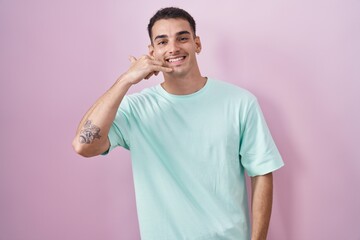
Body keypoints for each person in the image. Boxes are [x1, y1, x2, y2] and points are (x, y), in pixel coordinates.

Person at [72, 7, 284, 240]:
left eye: (182, 38)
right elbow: (84, 145)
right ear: (151, 52)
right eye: (162, 42)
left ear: (197, 44)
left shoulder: (240, 102)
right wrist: (126, 80)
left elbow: (262, 172)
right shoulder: (135, 109)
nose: (173, 48)